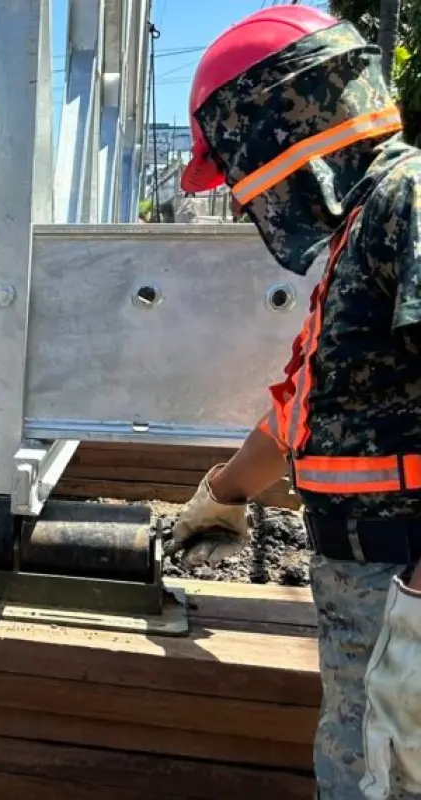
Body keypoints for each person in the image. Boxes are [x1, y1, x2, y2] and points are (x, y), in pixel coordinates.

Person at [170, 6, 421, 799]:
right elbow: (306, 412)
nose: (246, 197)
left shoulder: (409, 197)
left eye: (240, 168)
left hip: (405, 590)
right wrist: (221, 495)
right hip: (374, 599)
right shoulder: (364, 230)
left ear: (278, 128)